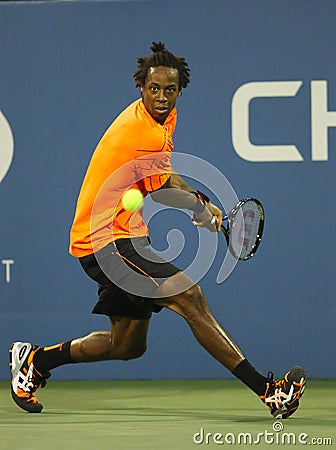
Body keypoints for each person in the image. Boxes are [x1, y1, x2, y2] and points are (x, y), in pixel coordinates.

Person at [9, 42, 306, 417]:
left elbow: (163, 175)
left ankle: (36, 360)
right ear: (141, 88)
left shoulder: (165, 120)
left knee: (127, 346)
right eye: (154, 89)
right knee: (190, 296)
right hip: (105, 241)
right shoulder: (141, 131)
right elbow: (163, 189)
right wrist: (199, 207)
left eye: (169, 89)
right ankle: (270, 392)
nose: (161, 96)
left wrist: (203, 204)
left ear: (180, 90)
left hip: (125, 233)